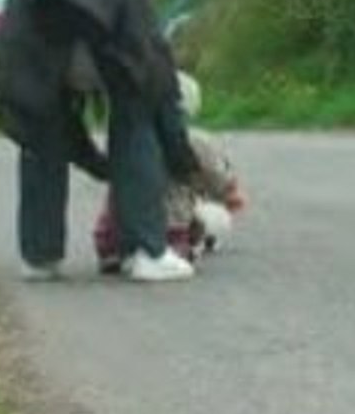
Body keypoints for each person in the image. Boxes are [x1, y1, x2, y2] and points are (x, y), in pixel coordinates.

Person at [0, 0, 201, 283]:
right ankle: (147, 253)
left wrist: (97, 165)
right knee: (137, 120)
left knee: (40, 138)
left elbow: (45, 124)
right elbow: (164, 111)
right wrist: (185, 167)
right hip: (97, 11)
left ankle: (39, 258)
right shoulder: (138, 7)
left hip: (34, 23)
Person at [93, 72, 246, 273]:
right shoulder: (196, 142)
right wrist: (229, 196)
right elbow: (223, 183)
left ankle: (112, 251)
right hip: (167, 228)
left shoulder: (124, 140)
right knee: (210, 215)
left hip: (115, 230)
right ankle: (178, 247)